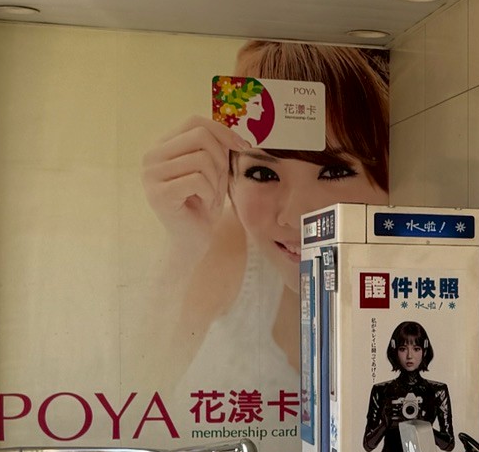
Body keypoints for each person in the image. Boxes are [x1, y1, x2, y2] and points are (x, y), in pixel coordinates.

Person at [142, 40, 389, 398]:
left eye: (334, 171)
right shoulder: (228, 245)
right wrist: (184, 247)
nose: (296, 217)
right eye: (262, 173)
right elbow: (134, 392)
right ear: (230, 180)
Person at [362, 320, 453, 452]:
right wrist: (386, 423)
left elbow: (449, 444)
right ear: (394, 350)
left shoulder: (437, 391)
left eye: (416, 349)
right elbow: (368, 445)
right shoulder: (381, 391)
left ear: (424, 350)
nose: (410, 356)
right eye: (403, 349)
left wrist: (423, 426)